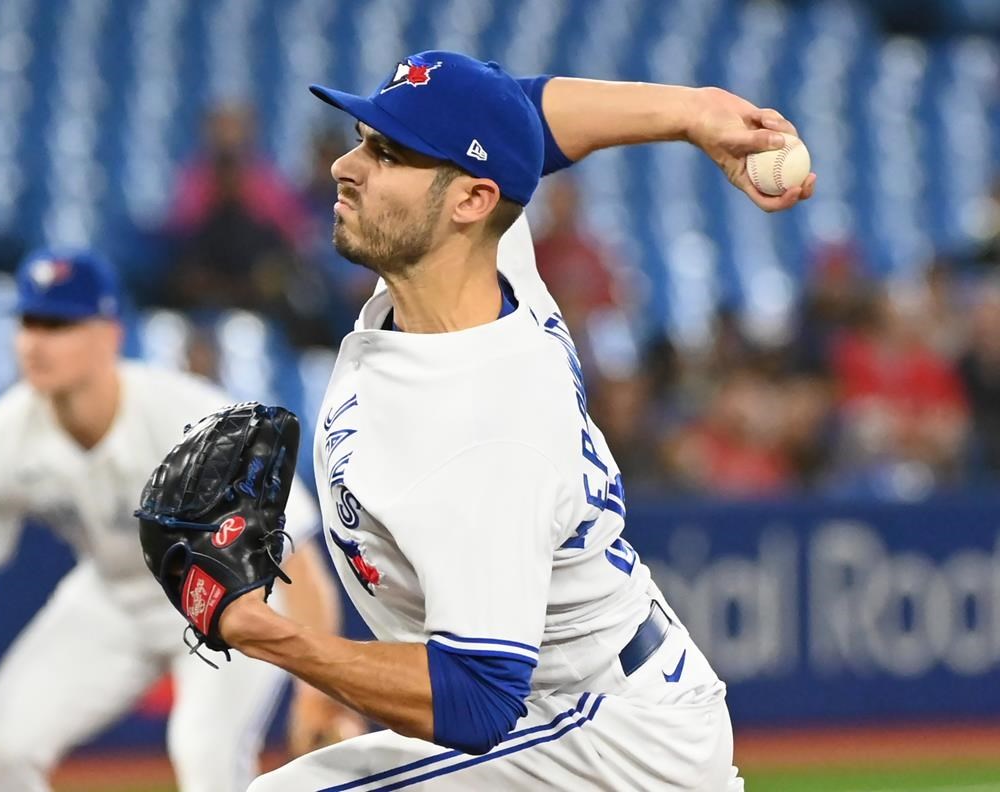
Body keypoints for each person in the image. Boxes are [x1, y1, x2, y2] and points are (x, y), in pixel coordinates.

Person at [200, 52, 813, 790]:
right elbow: (518, 118)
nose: (344, 165)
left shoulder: (487, 426)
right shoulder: (480, 256)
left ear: (469, 199)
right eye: (363, 138)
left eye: (386, 153)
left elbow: (475, 697)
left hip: (605, 744)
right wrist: (691, 111)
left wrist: (274, 638)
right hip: (578, 703)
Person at [0, 250, 356, 792]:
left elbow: (302, 558)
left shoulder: (190, 421)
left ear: (109, 334)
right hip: (114, 596)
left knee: (205, 751)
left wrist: (318, 692)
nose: (37, 340)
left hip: (228, 600)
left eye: (59, 324)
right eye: (29, 322)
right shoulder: (1, 438)